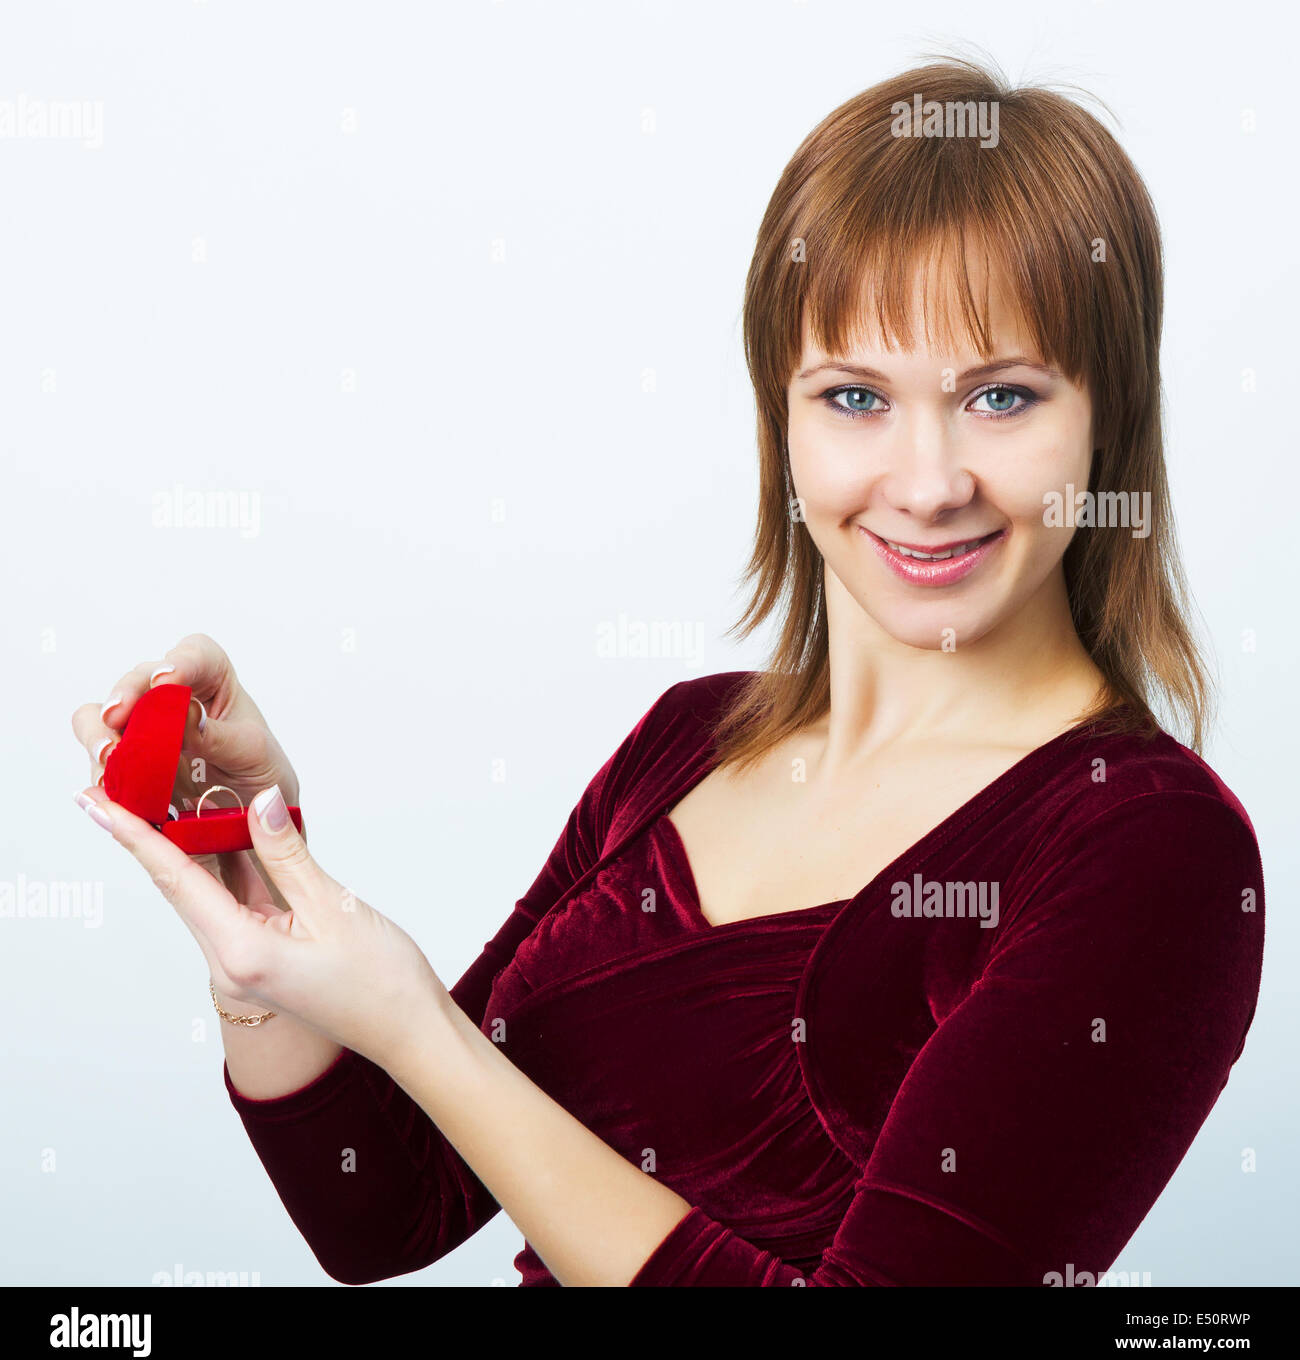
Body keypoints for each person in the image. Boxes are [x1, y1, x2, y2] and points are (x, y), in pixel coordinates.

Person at [70, 56, 1265, 1286]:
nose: (926, 481)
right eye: (854, 395)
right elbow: (387, 1208)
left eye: (1001, 398)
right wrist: (263, 921)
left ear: (1107, 414)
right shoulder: (689, 738)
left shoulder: (1150, 851)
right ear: (780, 418)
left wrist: (425, 1035)